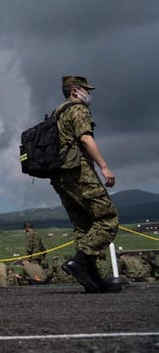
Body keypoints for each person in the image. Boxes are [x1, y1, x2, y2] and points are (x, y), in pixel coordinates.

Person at [49, 76, 120, 294]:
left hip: (59, 175)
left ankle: (91, 279)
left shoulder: (57, 113)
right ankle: (80, 263)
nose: (88, 94)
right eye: (84, 90)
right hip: (78, 171)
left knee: (85, 225)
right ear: (74, 91)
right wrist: (104, 166)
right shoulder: (77, 110)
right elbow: (86, 139)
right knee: (107, 218)